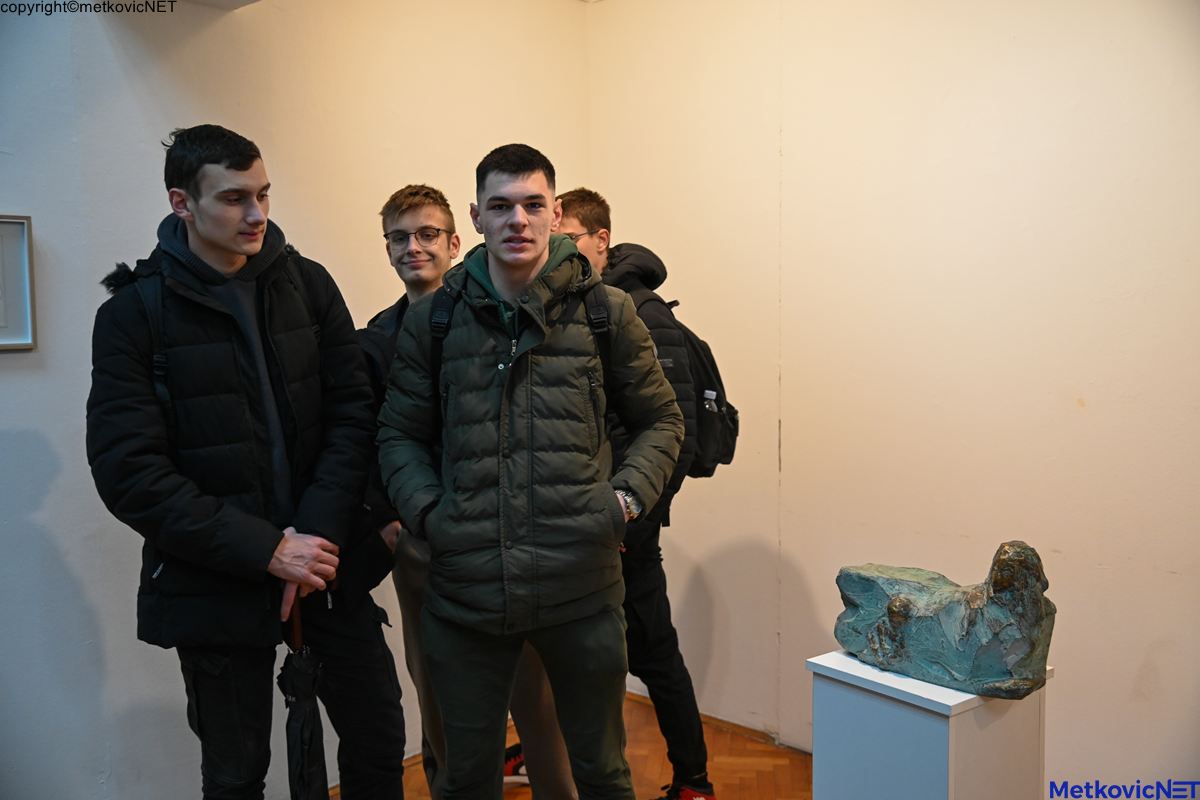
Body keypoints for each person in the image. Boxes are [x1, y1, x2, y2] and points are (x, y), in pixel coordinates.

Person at [86, 124, 405, 800]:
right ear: (182, 203)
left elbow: (353, 416)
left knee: (377, 743)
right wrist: (268, 551)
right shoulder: (134, 315)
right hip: (215, 582)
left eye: (263, 194)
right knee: (236, 774)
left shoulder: (308, 284)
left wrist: (311, 540)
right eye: (234, 198)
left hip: (326, 565)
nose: (257, 214)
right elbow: (130, 473)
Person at [376, 144, 684, 799]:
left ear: (555, 212)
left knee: (602, 774)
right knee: (466, 777)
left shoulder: (606, 312)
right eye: (500, 206)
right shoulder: (434, 320)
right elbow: (398, 433)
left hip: (582, 589)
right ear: (476, 218)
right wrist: (430, 514)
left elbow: (663, 420)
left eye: (531, 205)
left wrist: (623, 503)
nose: (517, 220)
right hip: (467, 595)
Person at [358, 184, 577, 800]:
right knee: (436, 696)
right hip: (425, 544)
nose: (414, 247)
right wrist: (392, 518)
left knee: (536, 697)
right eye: (400, 238)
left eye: (428, 234)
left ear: (456, 241)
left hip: (512, 538)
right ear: (387, 249)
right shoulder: (375, 340)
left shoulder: (501, 317)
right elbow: (367, 434)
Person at [556, 188, 713, 800]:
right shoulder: (578, 303)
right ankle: (551, 750)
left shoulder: (641, 313)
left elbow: (674, 435)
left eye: (570, 236)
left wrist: (628, 520)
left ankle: (694, 781)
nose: (558, 247)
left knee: (654, 655)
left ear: (602, 240)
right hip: (591, 524)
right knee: (582, 655)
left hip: (625, 530)